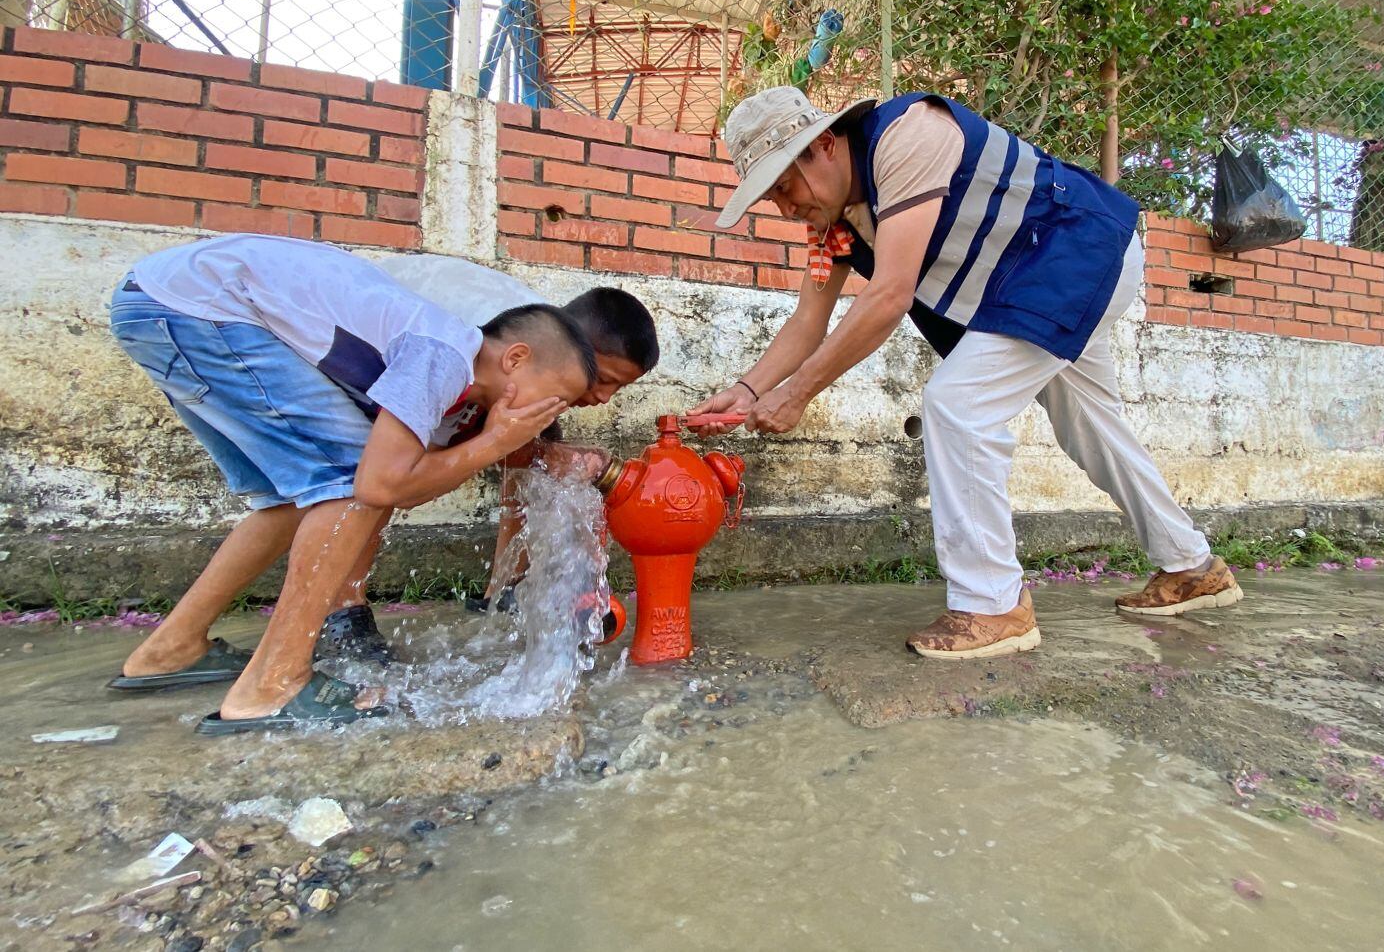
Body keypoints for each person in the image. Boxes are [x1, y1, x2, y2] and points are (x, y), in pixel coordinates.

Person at [691, 87, 1242, 660]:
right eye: (771, 197)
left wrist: (798, 392)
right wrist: (747, 391)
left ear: (824, 145)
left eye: (784, 186)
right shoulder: (834, 224)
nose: (784, 207)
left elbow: (889, 296)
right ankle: (1194, 567)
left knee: (957, 406)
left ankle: (993, 605)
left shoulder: (908, 134)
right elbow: (809, 320)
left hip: (1076, 253)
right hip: (1034, 286)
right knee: (1092, 427)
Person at [105, 234, 595, 733]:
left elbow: (405, 486)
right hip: (202, 307)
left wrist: (489, 445)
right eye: (554, 398)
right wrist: (491, 445)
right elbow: (376, 487)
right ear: (514, 358)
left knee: (289, 502)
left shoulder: (447, 373)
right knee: (342, 482)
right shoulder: (443, 352)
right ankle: (272, 685)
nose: (548, 415)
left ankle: (172, 648)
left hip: (162, 304)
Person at [310, 254, 660, 657]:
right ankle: (343, 609)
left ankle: (507, 585)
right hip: (350, 347)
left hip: (398, 342)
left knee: (527, 455)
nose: (602, 399)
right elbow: (410, 472)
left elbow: (522, 454)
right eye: (604, 381)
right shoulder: (473, 353)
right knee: (377, 472)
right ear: (578, 349)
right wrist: (499, 447)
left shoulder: (537, 347)